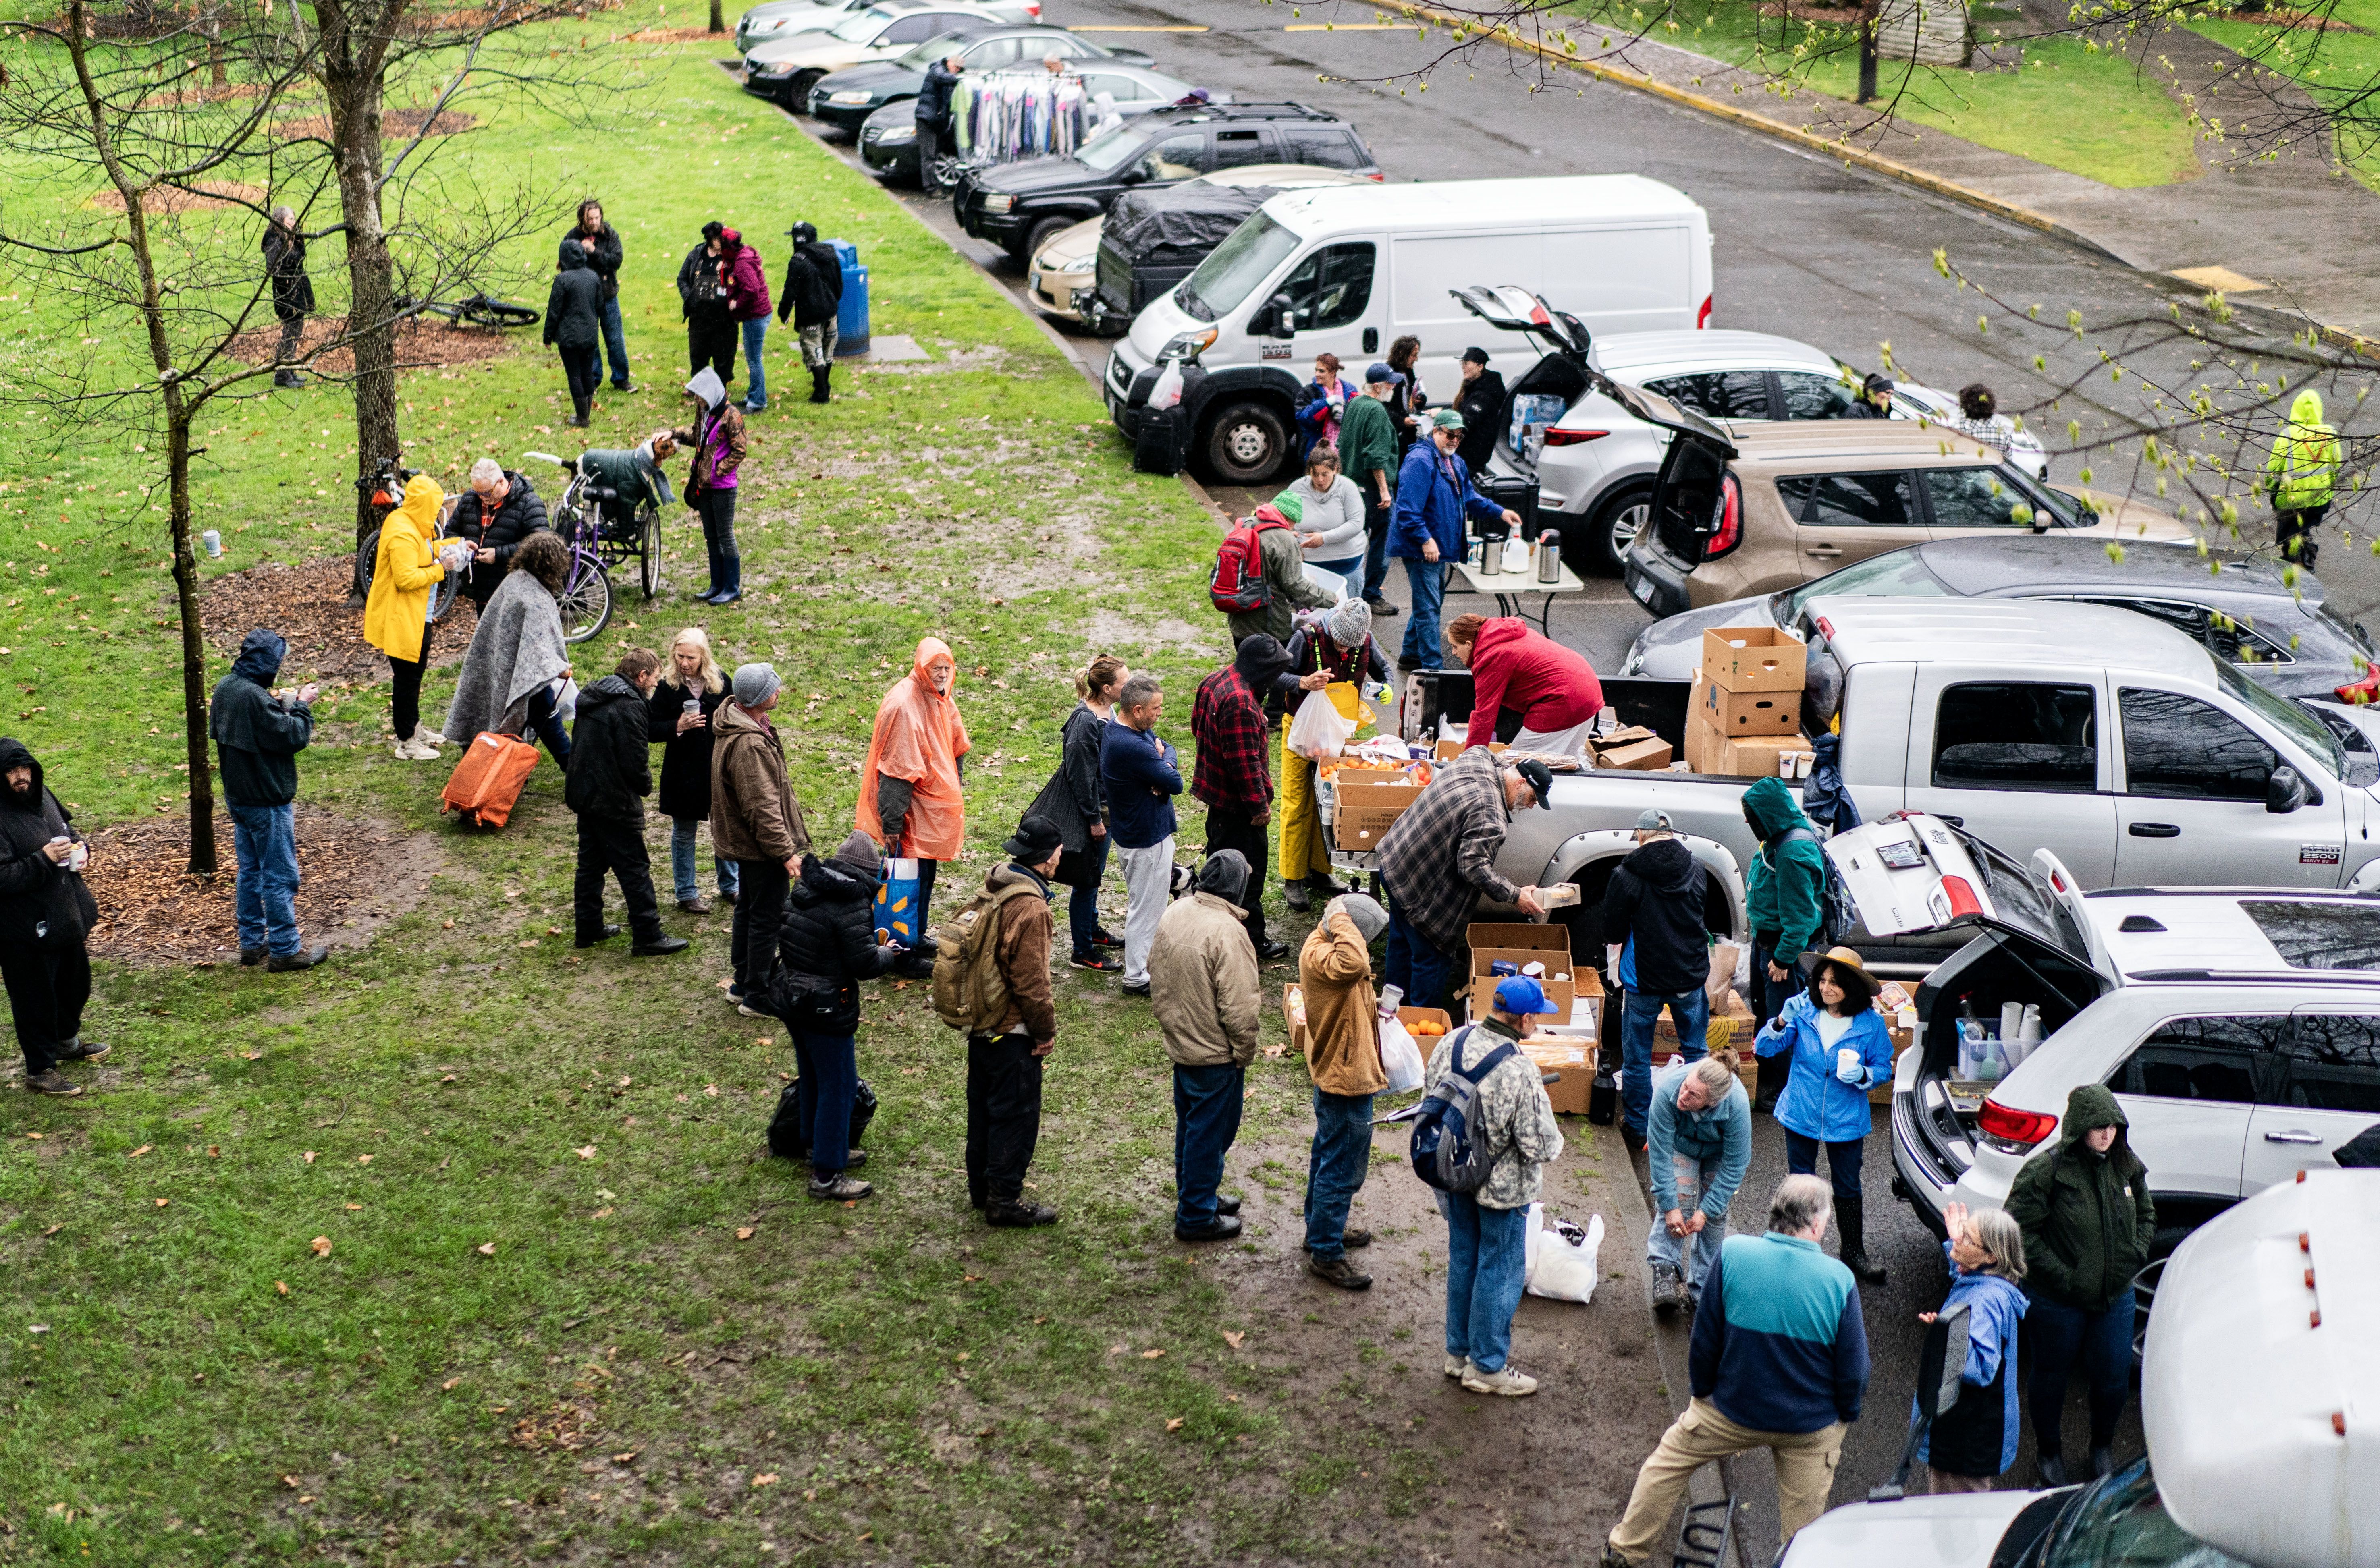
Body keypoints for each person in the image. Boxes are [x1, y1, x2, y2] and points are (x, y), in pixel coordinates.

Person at [1601, 1174, 1869, 1565]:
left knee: (1666, 1463)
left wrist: (1702, 1392)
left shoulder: (1732, 1255)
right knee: (1803, 1528)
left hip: (1730, 1410)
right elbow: (1853, 1371)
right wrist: (1841, 1417)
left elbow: (1705, 1339)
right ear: (1816, 1224)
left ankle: (1624, 1551)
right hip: (1807, 1426)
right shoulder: (1839, 1280)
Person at [2006, 1085, 2155, 1486]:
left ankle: (2101, 1447)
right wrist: (2064, 1276)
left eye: (2110, 1125)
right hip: (2056, 1299)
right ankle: (2049, 1451)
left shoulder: (2125, 1163)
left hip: (2114, 1295)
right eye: (2096, 1127)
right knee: (2050, 1374)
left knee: (2112, 1377)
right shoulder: (2046, 1171)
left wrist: (2133, 1254)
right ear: (2078, 1128)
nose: (2105, 1134)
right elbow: (2017, 1230)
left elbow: (2145, 1211)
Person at [1433, 975, 1566, 1393]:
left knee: (1463, 1259)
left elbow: (1430, 1096)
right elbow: (1538, 1145)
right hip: (1502, 1190)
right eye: (1536, 1018)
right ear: (1525, 1019)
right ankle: (1487, 1365)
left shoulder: (1451, 1041)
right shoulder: (1519, 1069)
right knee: (1499, 1268)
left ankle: (1457, 1354)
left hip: (1455, 1174)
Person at [774, 830, 904, 1202]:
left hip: (794, 1000)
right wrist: (888, 953)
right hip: (827, 1007)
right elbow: (864, 963)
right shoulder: (850, 904)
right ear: (867, 872)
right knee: (840, 1086)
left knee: (814, 1076)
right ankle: (828, 1175)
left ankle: (816, 1146)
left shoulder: (803, 891)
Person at [1374, 748, 1552, 1012]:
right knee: (1430, 959)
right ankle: (1420, 1028)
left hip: (1396, 863)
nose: (1530, 806)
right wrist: (1515, 895)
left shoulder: (1476, 759)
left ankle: (1389, 1013)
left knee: (1401, 943)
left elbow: (1487, 752)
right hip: (1422, 896)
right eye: (1532, 799)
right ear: (1520, 783)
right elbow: (1473, 867)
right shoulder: (1492, 818)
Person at [1758, 946, 1896, 1284]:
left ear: (1853, 988)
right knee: (1800, 1183)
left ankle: (1853, 1253)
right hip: (1801, 1111)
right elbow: (1764, 1049)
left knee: (1848, 1187)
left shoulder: (1872, 1025)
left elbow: (1884, 1067)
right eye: (1822, 981)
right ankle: (1794, 1249)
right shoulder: (1803, 1011)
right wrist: (1780, 1021)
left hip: (1846, 1118)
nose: (1825, 989)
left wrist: (1865, 1075)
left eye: (1835, 983)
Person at [1150, 849, 1262, 1242]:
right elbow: (1241, 1008)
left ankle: (1197, 1194)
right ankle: (1196, 1215)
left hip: (1182, 1042)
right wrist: (1242, 1053)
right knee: (1209, 1133)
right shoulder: (1228, 932)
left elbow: (1156, 971)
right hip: (1214, 1053)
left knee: (1193, 1126)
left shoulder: (1176, 912)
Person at [967, 814, 1065, 1228]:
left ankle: (980, 1188)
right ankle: (1003, 1199)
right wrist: (1044, 1032)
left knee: (983, 1110)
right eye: (1059, 855)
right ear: (1043, 861)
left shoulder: (996, 884)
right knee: (1016, 1114)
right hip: (1011, 1030)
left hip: (980, 1021)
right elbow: (1031, 983)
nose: (1061, 861)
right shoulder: (1031, 907)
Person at [209, 629, 327, 971]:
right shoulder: (251, 697)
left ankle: (251, 944)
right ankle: (286, 949)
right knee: (279, 875)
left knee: (250, 872)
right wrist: (302, 706)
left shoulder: (227, 688)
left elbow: (254, 727)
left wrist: (276, 707)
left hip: (240, 799)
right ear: (268, 663)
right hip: (266, 802)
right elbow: (292, 736)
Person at [565, 648, 689, 959]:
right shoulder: (630, 706)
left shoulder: (595, 694)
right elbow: (635, 760)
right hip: (614, 800)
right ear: (642, 676)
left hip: (585, 794)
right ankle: (648, 934)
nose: (655, 686)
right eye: (655, 679)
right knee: (635, 868)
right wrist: (646, 787)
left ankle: (589, 927)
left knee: (591, 865)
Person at [0, 738, 104, 1096]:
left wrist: (81, 848)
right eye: (11, 772)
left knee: (75, 984)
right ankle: (40, 1069)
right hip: (22, 928)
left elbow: (69, 832)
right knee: (35, 999)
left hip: (64, 913)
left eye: (23, 769)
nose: (19, 777)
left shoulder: (43, 796)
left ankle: (65, 1042)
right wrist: (43, 859)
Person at [855, 637, 970, 959]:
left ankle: (915, 936)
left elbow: (956, 743)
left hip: (930, 812)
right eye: (937, 668)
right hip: (910, 816)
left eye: (948, 667)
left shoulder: (939, 697)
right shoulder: (905, 706)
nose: (944, 674)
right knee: (907, 882)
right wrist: (892, 826)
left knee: (923, 878)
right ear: (922, 667)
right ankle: (902, 950)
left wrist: (954, 787)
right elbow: (896, 772)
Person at [1298, 891, 1391, 1289]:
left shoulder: (1330, 949)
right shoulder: (1323, 955)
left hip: (1347, 1070)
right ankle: (1326, 1251)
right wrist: (1339, 915)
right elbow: (1354, 961)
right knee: (1340, 1166)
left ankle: (1320, 1229)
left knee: (1328, 1154)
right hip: (1344, 1078)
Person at [1605, 807, 1711, 1149]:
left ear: (1641, 836)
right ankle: (1698, 1125)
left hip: (1643, 981)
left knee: (1637, 1058)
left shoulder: (1625, 875)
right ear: (1673, 835)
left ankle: (1638, 1129)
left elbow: (1613, 931)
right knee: (1697, 1052)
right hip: (1689, 976)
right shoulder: (1697, 868)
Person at [710, 662, 812, 1017]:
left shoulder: (741, 724)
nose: (779, 690)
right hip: (759, 847)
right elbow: (761, 807)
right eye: (774, 687)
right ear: (756, 698)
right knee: (767, 918)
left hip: (747, 843)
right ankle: (758, 995)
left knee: (749, 910)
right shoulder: (750, 744)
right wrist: (784, 853)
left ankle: (743, 981)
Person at [1275, 598, 1389, 912]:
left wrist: (1387, 687)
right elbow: (1275, 676)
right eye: (1339, 644)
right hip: (1300, 731)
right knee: (1297, 802)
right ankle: (1293, 878)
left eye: (1349, 648)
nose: (1343, 652)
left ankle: (1320, 871)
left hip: (1337, 732)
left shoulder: (1363, 639)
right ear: (1332, 628)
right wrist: (1303, 682)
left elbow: (1386, 669)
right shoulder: (1305, 638)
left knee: (1328, 801)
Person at [1388, 409, 1521, 673]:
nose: (1454, 440)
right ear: (1435, 431)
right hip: (1422, 550)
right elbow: (1406, 510)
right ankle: (1433, 671)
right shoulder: (1420, 461)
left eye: (1459, 436)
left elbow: (1470, 498)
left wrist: (1500, 512)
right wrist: (1426, 540)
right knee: (1428, 610)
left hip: (1438, 549)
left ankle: (1409, 655)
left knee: (1429, 602)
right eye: (1450, 434)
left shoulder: (1454, 462)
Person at [1912, 1202, 2029, 1494]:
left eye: (1967, 1238)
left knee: (1954, 1525)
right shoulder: (1990, 1283)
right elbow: (1969, 1283)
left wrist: (1948, 1332)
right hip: (1968, 1436)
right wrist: (1957, 1246)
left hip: (1962, 1443)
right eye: (1964, 1231)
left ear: (1991, 1256)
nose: (1960, 1239)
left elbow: (1981, 1368)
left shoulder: (1986, 1305)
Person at [1191, 635, 1292, 962]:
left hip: (1217, 800)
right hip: (1239, 809)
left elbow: (1196, 726)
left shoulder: (1217, 679)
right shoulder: (1241, 703)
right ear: (1262, 671)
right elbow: (1244, 763)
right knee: (1246, 875)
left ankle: (1211, 930)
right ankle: (1250, 941)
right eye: (1275, 672)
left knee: (1221, 864)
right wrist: (1259, 807)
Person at [1026, 654, 1126, 972]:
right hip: (1093, 813)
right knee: (1087, 882)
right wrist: (1095, 820)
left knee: (1094, 877)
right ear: (1108, 689)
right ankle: (1082, 950)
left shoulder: (1107, 709)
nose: (1131, 685)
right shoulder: (1085, 723)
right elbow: (1081, 777)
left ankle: (1092, 930)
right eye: (1126, 682)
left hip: (1105, 807)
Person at [441, 531, 573, 766]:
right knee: (550, 723)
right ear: (553, 566)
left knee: (528, 720)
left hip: (501, 666)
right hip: (529, 678)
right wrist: (559, 667)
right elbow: (539, 653)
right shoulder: (535, 599)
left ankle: (508, 766)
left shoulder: (514, 580)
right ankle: (576, 769)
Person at [1743, 774, 1826, 1112]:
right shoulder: (1779, 837)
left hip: (1780, 952)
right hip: (1766, 944)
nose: (1748, 822)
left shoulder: (1792, 852)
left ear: (1768, 814)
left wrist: (1782, 958)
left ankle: (1784, 1088)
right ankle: (1773, 1076)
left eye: (1752, 816)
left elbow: (1800, 919)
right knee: (1768, 1012)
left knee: (1783, 1019)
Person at [1645, 1054, 1751, 1316]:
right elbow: (1659, 1154)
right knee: (1677, 1201)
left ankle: (1703, 1287)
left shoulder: (1736, 1104)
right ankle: (1665, 1270)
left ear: (1712, 1103)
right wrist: (1670, 1207)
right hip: (1682, 1144)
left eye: (1693, 1096)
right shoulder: (1670, 1090)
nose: (1683, 1096)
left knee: (1715, 1214)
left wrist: (1706, 1210)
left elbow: (1736, 1164)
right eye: (1686, 1087)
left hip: (1718, 1152)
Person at [1099, 672, 1181, 998]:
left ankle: (1145, 965)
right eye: (1156, 708)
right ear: (1136, 709)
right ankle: (1136, 977)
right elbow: (1175, 785)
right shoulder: (1131, 745)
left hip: (1142, 834)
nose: (1160, 713)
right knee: (1145, 910)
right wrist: (1163, 768)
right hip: (1146, 839)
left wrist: (1164, 760)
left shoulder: (1128, 730)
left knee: (1148, 905)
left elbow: (1169, 748)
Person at [362, 473, 454, 761]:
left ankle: (414, 729)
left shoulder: (410, 522)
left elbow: (424, 552)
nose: (438, 511)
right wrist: (443, 569)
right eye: (435, 505)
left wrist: (453, 545)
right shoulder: (404, 532)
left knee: (413, 677)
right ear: (424, 505)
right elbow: (406, 578)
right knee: (407, 680)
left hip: (417, 616)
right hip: (404, 619)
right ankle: (407, 743)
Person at [649, 626, 737, 914]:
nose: (685, 663)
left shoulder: (722, 683)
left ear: (704, 657)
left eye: (691, 658)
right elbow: (649, 727)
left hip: (716, 766)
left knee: (723, 828)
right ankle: (687, 892)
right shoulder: (668, 686)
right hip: (683, 770)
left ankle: (731, 886)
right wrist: (677, 726)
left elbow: (736, 716)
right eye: (680, 656)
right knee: (684, 832)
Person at [1444, 613, 1603, 759]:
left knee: (1518, 762)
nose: (1453, 653)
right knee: (1567, 764)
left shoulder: (1491, 657)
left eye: (1455, 646)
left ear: (1468, 644)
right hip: (1588, 691)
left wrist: (1470, 760)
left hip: (1564, 699)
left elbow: (1484, 716)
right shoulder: (1504, 634)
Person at [668, 367, 747, 604]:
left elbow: (740, 451)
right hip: (702, 484)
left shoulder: (732, 415)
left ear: (712, 393)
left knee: (725, 536)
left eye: (700, 395)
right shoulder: (704, 412)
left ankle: (732, 588)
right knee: (711, 537)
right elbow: (697, 437)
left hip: (723, 487)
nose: (697, 399)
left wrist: (716, 471)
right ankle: (716, 585)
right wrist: (673, 434)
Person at [1223, 502, 1334, 651]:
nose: (1292, 529)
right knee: (1277, 672)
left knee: (1246, 668)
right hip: (1270, 626)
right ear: (1289, 519)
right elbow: (1295, 585)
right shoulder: (1284, 539)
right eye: (1294, 524)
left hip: (1238, 618)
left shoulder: (1242, 526)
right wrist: (1329, 598)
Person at [448, 458, 551, 616]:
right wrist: (461, 544)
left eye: (487, 493)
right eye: (478, 493)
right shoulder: (470, 499)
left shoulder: (529, 503)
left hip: (514, 592)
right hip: (480, 590)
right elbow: (450, 532)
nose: (482, 498)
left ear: (501, 482)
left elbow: (540, 545)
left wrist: (499, 554)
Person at [1341, 364, 1402, 614]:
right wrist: (1385, 491)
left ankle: (1348, 594)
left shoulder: (1355, 403)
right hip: (1373, 491)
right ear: (1378, 387)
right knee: (1381, 543)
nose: (1394, 387)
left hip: (1352, 486)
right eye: (1390, 384)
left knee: (1354, 540)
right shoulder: (1377, 410)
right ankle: (1371, 595)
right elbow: (1376, 457)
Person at [2264, 388, 2339, 568]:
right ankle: (2304, 557)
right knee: (2301, 529)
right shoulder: (2330, 435)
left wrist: (2273, 492)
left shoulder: (2288, 436)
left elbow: (2274, 471)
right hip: (2318, 499)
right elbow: (2335, 467)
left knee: (2289, 532)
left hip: (2290, 500)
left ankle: (2298, 562)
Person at [565, 198, 633, 394]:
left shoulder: (610, 235)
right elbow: (566, 262)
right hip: (584, 299)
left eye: (597, 217)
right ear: (583, 219)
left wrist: (594, 252)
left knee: (615, 339)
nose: (595, 222)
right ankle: (593, 380)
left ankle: (621, 379)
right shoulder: (572, 237)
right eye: (591, 218)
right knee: (590, 342)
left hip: (608, 296)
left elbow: (616, 260)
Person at [776, 220, 844, 404]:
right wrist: (833, 302)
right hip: (831, 311)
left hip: (810, 315)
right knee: (828, 349)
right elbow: (839, 282)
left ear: (797, 240)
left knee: (815, 353)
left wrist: (784, 312)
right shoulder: (830, 252)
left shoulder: (798, 261)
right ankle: (824, 385)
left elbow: (791, 290)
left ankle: (822, 394)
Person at [543, 236, 606, 428]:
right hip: (589, 335)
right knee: (587, 373)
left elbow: (554, 311)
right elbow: (601, 307)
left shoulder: (563, 280)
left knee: (575, 375)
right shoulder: (593, 277)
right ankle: (585, 415)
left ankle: (582, 418)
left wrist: (548, 336)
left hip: (569, 338)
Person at [1282, 445, 1366, 584]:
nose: (1320, 480)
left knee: (1347, 605)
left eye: (1325, 474)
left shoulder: (1348, 487)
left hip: (1345, 562)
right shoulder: (1296, 488)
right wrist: (1287, 534)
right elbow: (1280, 518)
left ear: (1335, 470)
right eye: (1315, 474)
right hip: (1308, 563)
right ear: (1309, 471)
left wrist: (1324, 538)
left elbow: (1356, 524)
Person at [716, 226, 773, 414]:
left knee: (754, 360)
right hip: (754, 315)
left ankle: (758, 402)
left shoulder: (743, 263)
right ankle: (753, 395)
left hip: (755, 316)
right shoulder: (739, 257)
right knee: (753, 359)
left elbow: (752, 290)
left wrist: (736, 304)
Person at [676, 220, 737, 386]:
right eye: (720, 239)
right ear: (711, 239)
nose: (723, 243)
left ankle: (720, 389)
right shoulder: (696, 255)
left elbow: (740, 282)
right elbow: (682, 279)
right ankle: (698, 387)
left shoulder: (731, 257)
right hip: (699, 317)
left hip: (724, 319)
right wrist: (690, 297)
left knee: (723, 357)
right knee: (698, 356)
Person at [262, 205, 313, 390]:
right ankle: (282, 374)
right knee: (290, 332)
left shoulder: (291, 237)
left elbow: (300, 258)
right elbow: (274, 267)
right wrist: (288, 280)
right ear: (279, 220)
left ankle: (288, 370)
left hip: (298, 290)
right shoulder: (275, 241)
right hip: (286, 292)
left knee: (296, 331)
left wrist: (299, 240)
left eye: (294, 219)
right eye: (289, 219)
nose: (293, 222)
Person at [915, 54, 964, 193]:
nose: (957, 71)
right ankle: (930, 188)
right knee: (928, 156)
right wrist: (961, 78)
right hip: (927, 120)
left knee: (932, 155)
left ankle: (932, 184)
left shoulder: (945, 74)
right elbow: (942, 78)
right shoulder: (937, 71)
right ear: (949, 62)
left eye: (960, 69)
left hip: (933, 120)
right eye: (956, 67)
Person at [1451, 347, 1506, 473]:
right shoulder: (1472, 386)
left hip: (1474, 457)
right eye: (1462, 363)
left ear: (1480, 366)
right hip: (1467, 453)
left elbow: (1467, 422)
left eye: (1467, 363)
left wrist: (1443, 415)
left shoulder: (1484, 394)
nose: (1463, 367)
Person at [1296, 354, 1358, 457]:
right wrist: (1325, 404)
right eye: (1316, 370)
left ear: (1333, 373)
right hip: (1316, 450)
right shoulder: (1308, 392)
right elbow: (1302, 418)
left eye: (1321, 371)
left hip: (1344, 451)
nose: (1317, 374)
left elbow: (1358, 418)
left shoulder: (1350, 391)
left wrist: (1345, 419)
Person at [1386, 334, 1426, 455]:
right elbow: (1384, 408)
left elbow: (1414, 392)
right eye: (1414, 355)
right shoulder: (1389, 374)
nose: (1416, 359)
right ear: (1403, 355)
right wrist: (1402, 421)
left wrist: (1420, 400)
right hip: (1395, 434)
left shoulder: (1409, 371)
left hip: (1409, 432)